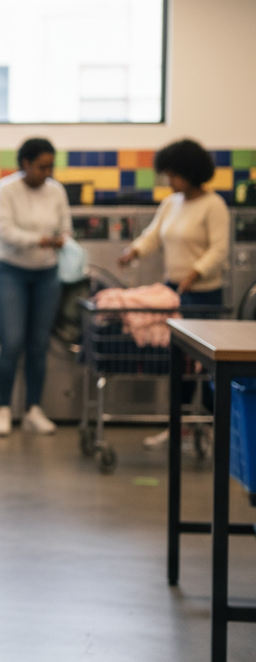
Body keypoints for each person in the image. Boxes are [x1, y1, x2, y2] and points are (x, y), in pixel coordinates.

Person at [119, 138, 230, 447]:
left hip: (205, 296)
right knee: (178, 363)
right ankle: (177, 426)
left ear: (190, 172)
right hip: (174, 293)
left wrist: (195, 273)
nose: (169, 181)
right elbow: (153, 235)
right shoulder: (171, 203)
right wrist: (134, 252)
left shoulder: (214, 206)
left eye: (173, 174)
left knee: (206, 365)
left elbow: (219, 250)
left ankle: (209, 427)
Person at [0, 138, 71, 437]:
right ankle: (3, 409)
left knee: (38, 345)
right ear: (24, 163)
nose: (47, 172)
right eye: (41, 166)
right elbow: (5, 231)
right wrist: (42, 240)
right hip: (11, 273)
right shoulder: (7, 189)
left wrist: (61, 237)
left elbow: (66, 226)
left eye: (51, 166)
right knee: (11, 342)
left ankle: (34, 410)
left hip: (47, 274)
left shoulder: (56, 191)